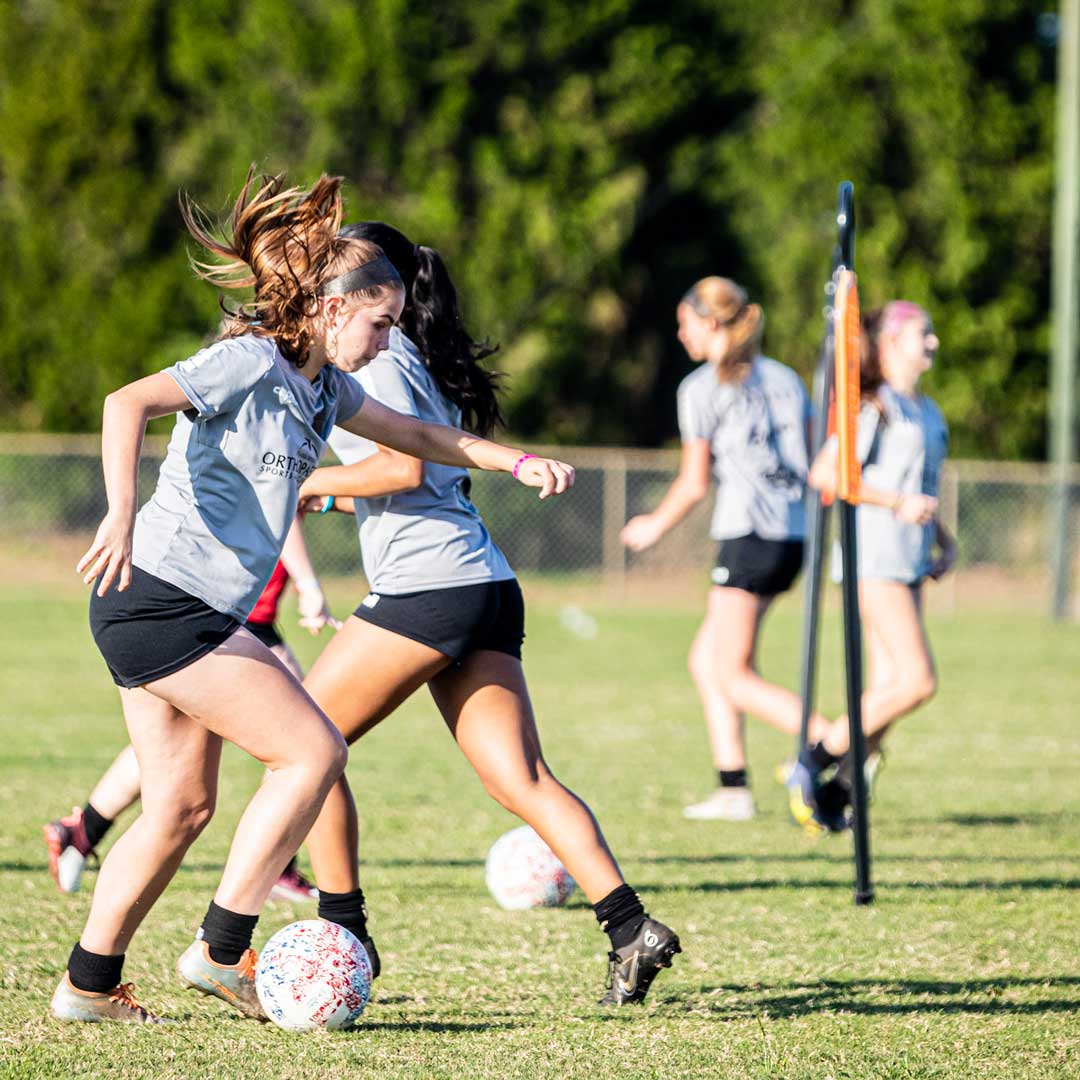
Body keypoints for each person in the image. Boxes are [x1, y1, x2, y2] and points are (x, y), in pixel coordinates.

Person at [50, 171, 573, 1025]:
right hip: (161, 599)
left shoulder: (325, 386)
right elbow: (127, 402)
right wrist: (117, 513)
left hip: (185, 611)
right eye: (381, 322)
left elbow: (419, 436)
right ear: (332, 309)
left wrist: (513, 460)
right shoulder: (251, 360)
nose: (389, 337)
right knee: (313, 752)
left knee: (179, 808)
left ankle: (88, 984)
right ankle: (221, 951)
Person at [294, 221, 680, 1007]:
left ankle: (345, 930)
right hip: (480, 580)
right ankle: (630, 926)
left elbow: (402, 469)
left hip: (427, 585)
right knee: (521, 779)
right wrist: (329, 496)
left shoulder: (380, 358)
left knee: (300, 743)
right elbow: (421, 476)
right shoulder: (405, 353)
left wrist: (306, 485)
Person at [621, 277, 828, 822]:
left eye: (685, 323)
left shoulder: (701, 388)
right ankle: (733, 787)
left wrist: (653, 526)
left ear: (710, 323)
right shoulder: (786, 379)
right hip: (793, 536)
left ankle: (834, 741)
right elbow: (815, 460)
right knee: (705, 660)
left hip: (748, 538)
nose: (680, 334)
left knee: (732, 674)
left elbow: (694, 483)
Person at [43, 518, 335, 903]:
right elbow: (288, 513)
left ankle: (83, 831)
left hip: (215, 605)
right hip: (233, 613)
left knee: (174, 747)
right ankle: (277, 866)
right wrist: (309, 583)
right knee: (303, 735)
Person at [788, 300, 954, 831]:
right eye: (924, 333)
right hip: (874, 559)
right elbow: (827, 475)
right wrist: (897, 504)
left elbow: (919, 488)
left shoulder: (927, 410)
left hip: (909, 559)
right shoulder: (872, 407)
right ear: (891, 342)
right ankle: (813, 758)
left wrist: (942, 540)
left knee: (888, 689)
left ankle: (838, 789)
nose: (933, 342)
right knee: (917, 682)